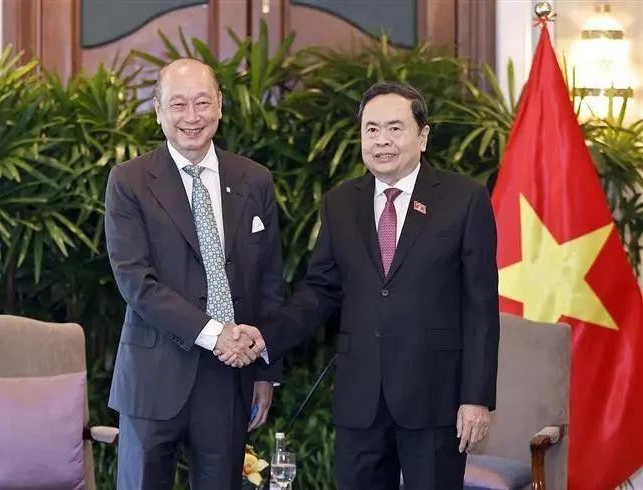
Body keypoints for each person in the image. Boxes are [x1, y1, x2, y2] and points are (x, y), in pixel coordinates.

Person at [219, 82, 500, 490]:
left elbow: (480, 307)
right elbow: (320, 291)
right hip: (360, 396)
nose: (381, 140)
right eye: (371, 129)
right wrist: (264, 335)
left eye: (394, 128)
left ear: (422, 136)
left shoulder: (464, 199)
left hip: (434, 395)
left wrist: (476, 398)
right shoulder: (340, 202)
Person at [104, 58, 284, 490]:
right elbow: (136, 282)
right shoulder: (129, 181)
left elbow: (270, 280)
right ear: (158, 109)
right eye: (178, 104)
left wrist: (264, 369)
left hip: (230, 380)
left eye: (202, 102)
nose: (192, 117)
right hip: (153, 376)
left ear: (220, 106)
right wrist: (214, 333)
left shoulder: (254, 180)